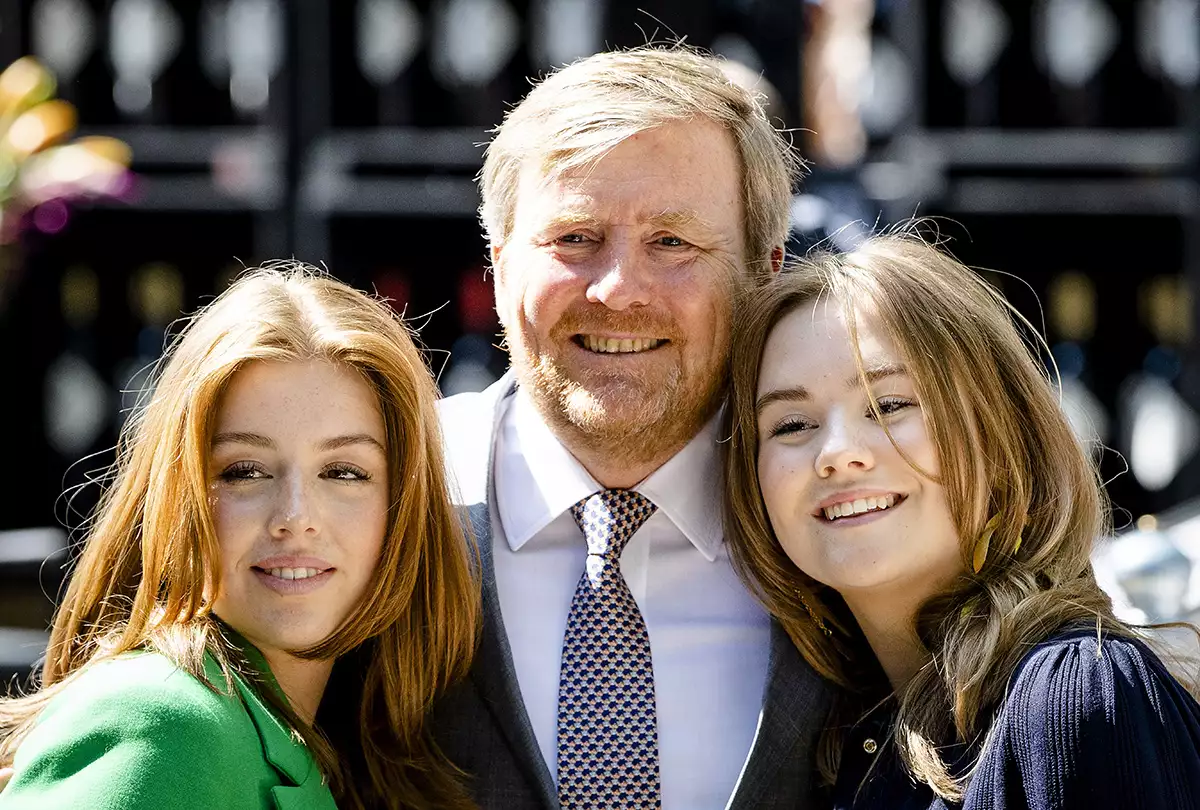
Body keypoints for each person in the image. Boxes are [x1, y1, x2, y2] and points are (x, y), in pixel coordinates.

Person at [427, 45, 832, 810]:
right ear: (500, 259)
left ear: (765, 270)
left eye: (672, 243)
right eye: (574, 238)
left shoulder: (844, 514)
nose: (618, 290)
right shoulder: (386, 492)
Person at [723, 229, 1200, 808]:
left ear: (1002, 440)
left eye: (890, 405)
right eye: (791, 425)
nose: (836, 451)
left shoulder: (1074, 696)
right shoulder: (839, 749)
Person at [0, 264, 480, 809]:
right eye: (244, 471)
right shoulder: (160, 726)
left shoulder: (346, 746)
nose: (295, 516)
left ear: (404, 507)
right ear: (178, 493)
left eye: (344, 472)